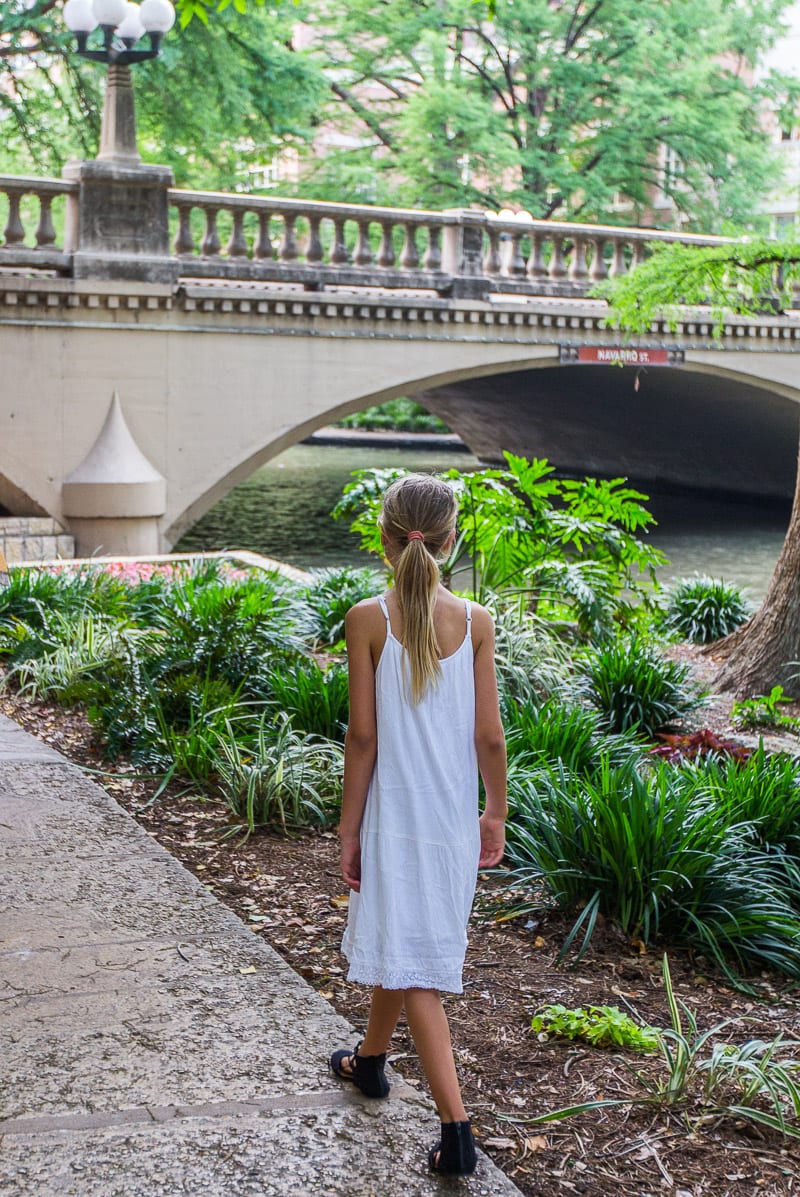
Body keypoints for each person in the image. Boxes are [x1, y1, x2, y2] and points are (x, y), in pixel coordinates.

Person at [329, 473, 507, 1176]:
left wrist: (349, 828)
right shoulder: (477, 620)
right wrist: (493, 809)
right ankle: (370, 1061)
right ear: (452, 538)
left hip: (393, 818)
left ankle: (457, 1131)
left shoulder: (366, 619)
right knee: (406, 944)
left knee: (419, 968)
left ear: (384, 538)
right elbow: (489, 736)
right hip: (450, 823)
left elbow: (363, 738)